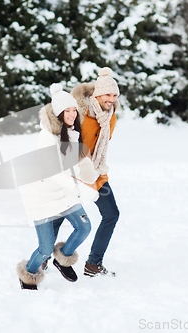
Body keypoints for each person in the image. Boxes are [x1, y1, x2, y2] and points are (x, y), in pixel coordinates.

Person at [17, 83, 99, 290]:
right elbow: (56, 174)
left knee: (84, 227)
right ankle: (28, 275)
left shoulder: (72, 131)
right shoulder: (46, 138)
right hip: (43, 198)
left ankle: (63, 259)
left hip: (64, 195)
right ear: (58, 113)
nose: (72, 114)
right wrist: (83, 190)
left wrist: (92, 172)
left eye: (74, 110)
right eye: (67, 110)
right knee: (45, 248)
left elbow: (78, 156)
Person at [54, 67, 120, 277]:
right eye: (108, 95)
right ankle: (43, 259)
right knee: (59, 216)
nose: (112, 99)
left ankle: (93, 264)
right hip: (74, 171)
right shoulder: (79, 113)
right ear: (98, 94)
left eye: (115, 95)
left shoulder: (111, 117)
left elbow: (102, 145)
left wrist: (93, 166)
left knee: (111, 214)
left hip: (96, 172)